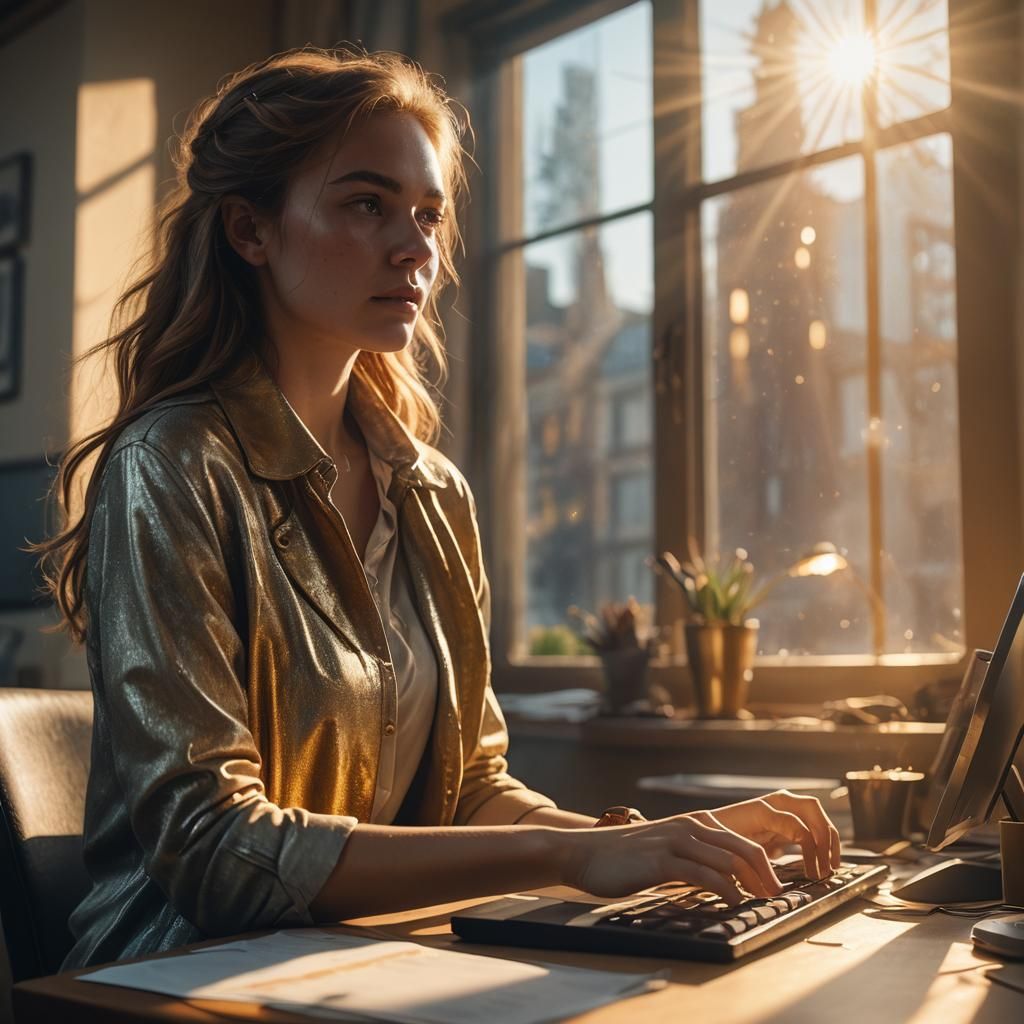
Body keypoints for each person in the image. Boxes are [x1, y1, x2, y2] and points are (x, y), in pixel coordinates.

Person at [37, 48, 841, 971]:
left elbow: (471, 790)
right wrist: (574, 853)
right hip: (168, 976)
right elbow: (220, 851)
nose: (416, 247)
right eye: (367, 204)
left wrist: (655, 846)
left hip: (362, 966)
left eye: (427, 215)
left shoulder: (434, 492)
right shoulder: (170, 465)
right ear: (250, 231)